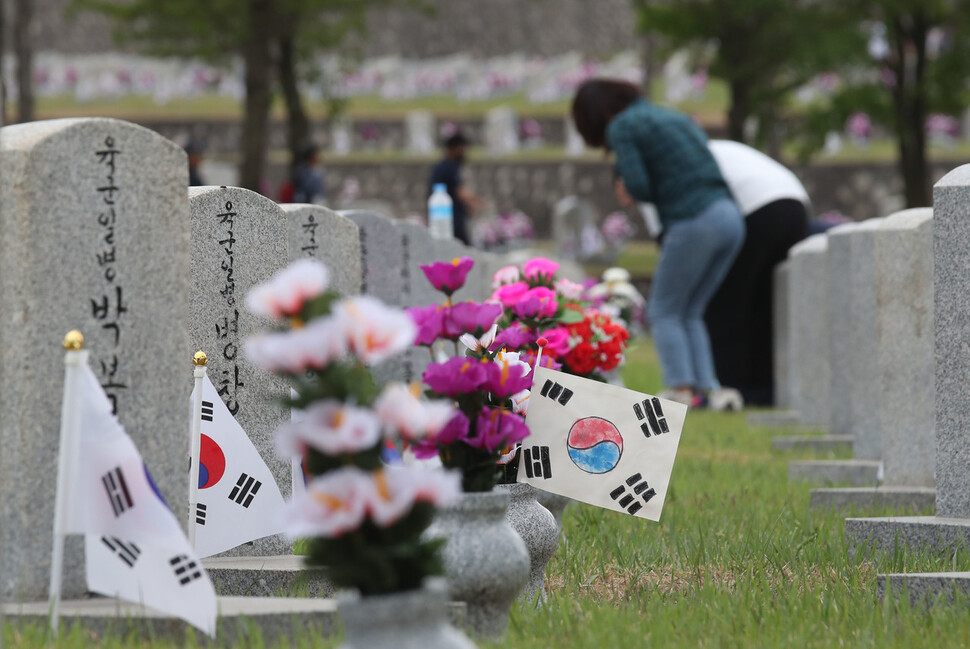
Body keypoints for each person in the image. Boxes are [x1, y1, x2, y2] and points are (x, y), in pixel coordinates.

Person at [572, 78, 744, 408]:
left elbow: (638, 182)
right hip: (729, 216)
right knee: (691, 310)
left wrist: (629, 187)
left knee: (664, 309)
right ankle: (710, 390)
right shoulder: (673, 115)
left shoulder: (622, 125)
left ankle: (680, 390)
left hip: (694, 218)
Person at [703, 140, 810, 406]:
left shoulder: (686, 154)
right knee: (766, 303)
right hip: (796, 201)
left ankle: (731, 389)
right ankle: (765, 389)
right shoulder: (720, 148)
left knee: (728, 301)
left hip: (757, 208)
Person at [428, 132, 483, 245]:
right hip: (451, 217)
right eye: (461, 148)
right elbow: (460, 192)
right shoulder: (449, 167)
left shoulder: (441, 166)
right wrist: (476, 202)